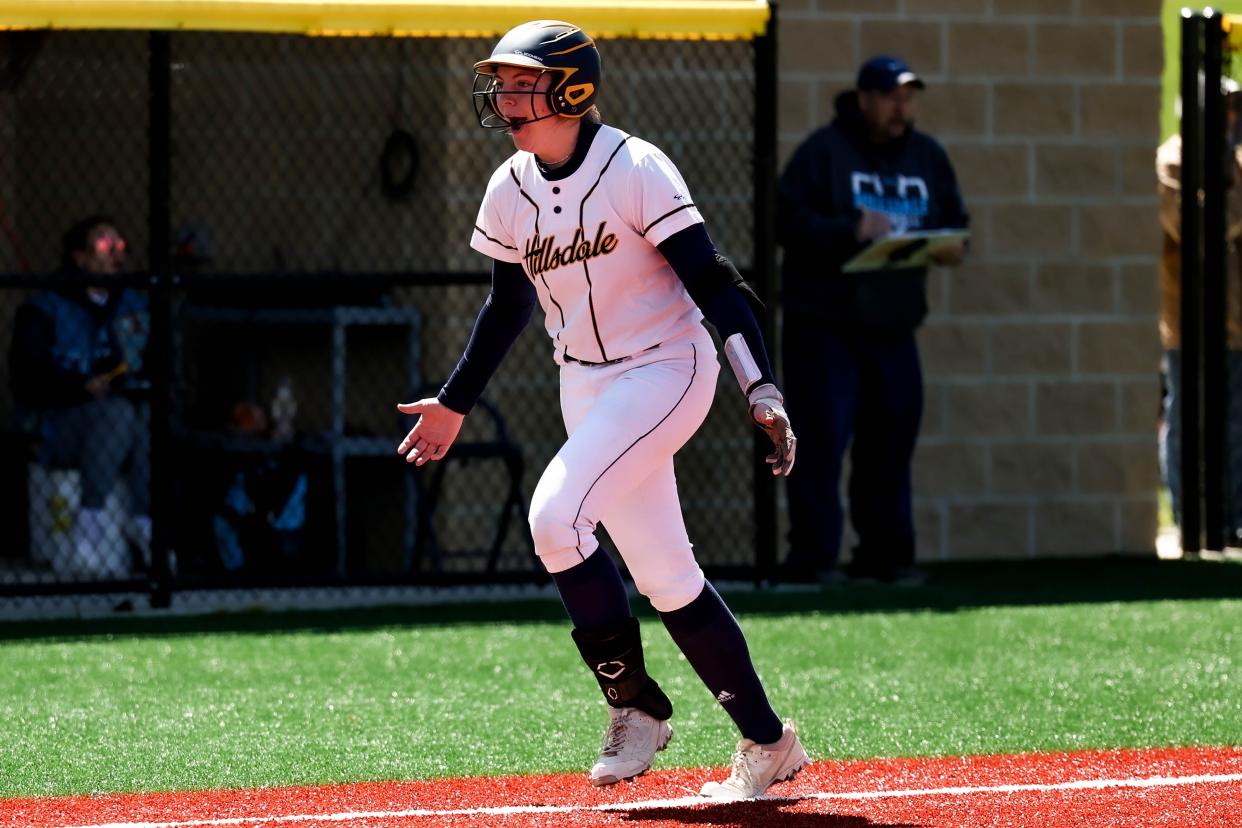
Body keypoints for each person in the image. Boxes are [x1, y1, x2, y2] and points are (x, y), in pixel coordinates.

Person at [396, 20, 806, 800]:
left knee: (554, 519)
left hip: (666, 369)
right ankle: (768, 741)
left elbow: (714, 283)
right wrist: (455, 402)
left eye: (524, 82)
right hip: (583, 382)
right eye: (504, 83)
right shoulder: (509, 185)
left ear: (572, 89)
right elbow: (506, 307)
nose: (507, 96)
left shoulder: (635, 165)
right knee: (666, 577)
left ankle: (636, 706)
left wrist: (760, 386)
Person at [776, 56, 969, 587]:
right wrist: (849, 228)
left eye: (908, 98)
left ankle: (885, 556)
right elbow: (786, 220)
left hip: (894, 328)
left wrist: (953, 246)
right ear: (863, 98)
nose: (900, 108)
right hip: (825, 329)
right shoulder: (824, 152)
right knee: (820, 444)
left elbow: (956, 220)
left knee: (890, 447)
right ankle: (813, 560)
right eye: (890, 97)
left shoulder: (926, 156)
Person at [8, 215, 151, 576]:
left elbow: (155, 363)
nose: (115, 255)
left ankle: (145, 519)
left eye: (119, 247)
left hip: (124, 416)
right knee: (117, 413)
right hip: (60, 424)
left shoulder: (134, 304)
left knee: (141, 412)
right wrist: (79, 386)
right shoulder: (46, 307)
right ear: (80, 257)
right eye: (104, 246)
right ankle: (90, 524)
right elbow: (26, 378)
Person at [1157, 80, 1242, 547]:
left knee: (1236, 421)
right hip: (1187, 322)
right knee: (1189, 419)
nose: (1230, 119)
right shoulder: (1172, 161)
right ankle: (1190, 517)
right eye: (1223, 110)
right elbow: (1196, 226)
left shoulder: (1235, 162)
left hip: (1236, 324)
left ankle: (1234, 517)